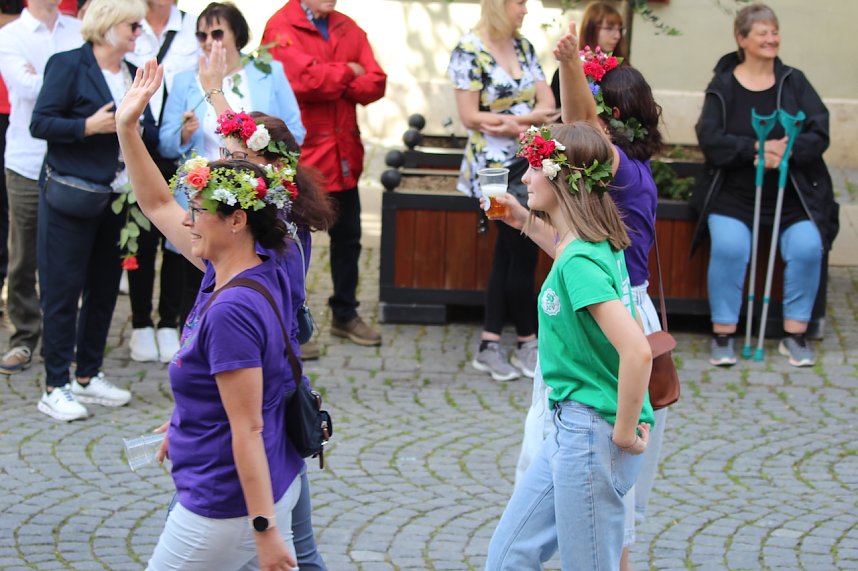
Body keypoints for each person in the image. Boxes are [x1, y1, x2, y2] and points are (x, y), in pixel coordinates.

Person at [117, 60, 306, 570]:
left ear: (238, 219)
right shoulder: (272, 254)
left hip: (226, 503)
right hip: (274, 477)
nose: (189, 218)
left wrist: (263, 532)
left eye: (199, 209)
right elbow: (156, 203)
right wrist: (127, 129)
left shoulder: (232, 308)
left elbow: (244, 430)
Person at [483, 121, 653, 570]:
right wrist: (522, 219)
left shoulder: (582, 258)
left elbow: (637, 350)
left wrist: (625, 427)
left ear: (563, 178)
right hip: (569, 427)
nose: (524, 178)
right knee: (507, 557)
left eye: (534, 169)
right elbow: (568, 256)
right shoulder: (593, 244)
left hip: (591, 436)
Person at [29, 0, 156, 421]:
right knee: (63, 291)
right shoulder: (68, 65)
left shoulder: (130, 72)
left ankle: (87, 374)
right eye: (133, 24)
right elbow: (41, 123)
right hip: (72, 197)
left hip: (117, 199)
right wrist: (87, 126)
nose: (139, 31)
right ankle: (55, 384)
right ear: (107, 25)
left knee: (103, 289)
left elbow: (148, 130)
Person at [218, 109, 334, 567]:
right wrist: (216, 94)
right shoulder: (268, 211)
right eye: (224, 156)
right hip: (275, 385)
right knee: (301, 549)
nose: (223, 167)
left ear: (269, 167)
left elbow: (160, 206)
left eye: (236, 158)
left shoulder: (270, 230)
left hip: (265, 388)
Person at [694, 3, 838, 368]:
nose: (772, 38)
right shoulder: (723, 84)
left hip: (793, 196)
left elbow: (819, 129)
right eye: (762, 33)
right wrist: (755, 149)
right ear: (742, 39)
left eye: (774, 31)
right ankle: (724, 334)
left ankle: (795, 335)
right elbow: (709, 137)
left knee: (807, 246)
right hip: (734, 195)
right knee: (729, 246)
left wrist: (786, 152)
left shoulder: (794, 81)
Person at [263, 0, 387, 348]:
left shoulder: (347, 26)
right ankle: (289, 325)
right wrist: (349, 71)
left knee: (348, 239)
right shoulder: (281, 26)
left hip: (344, 154)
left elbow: (376, 82)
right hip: (304, 160)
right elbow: (301, 81)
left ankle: (345, 314)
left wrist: (331, 75)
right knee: (290, 242)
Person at [447, 0, 558, 382]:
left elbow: (550, 106)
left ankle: (493, 342)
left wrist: (510, 124)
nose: (525, 10)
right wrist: (526, 122)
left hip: (529, 165)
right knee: (517, 247)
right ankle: (525, 342)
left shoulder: (524, 47)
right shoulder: (469, 50)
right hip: (491, 171)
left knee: (514, 252)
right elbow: (470, 116)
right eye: (519, 2)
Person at [0, 0, 82, 376]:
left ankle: (61, 340)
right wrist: (68, 83)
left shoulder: (77, 29)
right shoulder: (9, 35)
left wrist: (53, 82)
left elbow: (88, 83)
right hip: (26, 159)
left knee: (66, 257)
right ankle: (23, 336)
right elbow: (25, 87)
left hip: (71, 159)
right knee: (23, 258)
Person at [122, 0, 198, 363]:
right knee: (137, 241)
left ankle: (168, 322)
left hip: (176, 151)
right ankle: (139, 324)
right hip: (133, 146)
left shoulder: (193, 27)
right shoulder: (126, 22)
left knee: (175, 238)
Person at [549, 0, 627, 107]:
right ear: (591, 29)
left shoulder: (623, 69)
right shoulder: (569, 70)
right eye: (609, 28)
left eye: (620, 30)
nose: (617, 36)